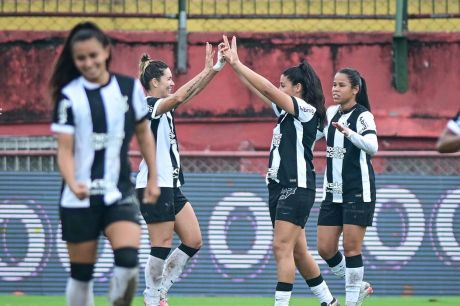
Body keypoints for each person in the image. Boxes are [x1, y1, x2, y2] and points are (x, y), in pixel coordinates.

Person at [221, 35, 338, 306]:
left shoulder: (305, 110)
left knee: (280, 247)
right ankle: (330, 302)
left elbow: (268, 90)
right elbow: (261, 89)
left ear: (297, 88)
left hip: (295, 187)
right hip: (279, 187)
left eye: (283, 85)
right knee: (298, 253)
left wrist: (239, 62)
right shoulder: (286, 113)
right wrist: (234, 65)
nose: (277, 88)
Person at [49, 21, 160, 306]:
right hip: (78, 198)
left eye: (93, 55)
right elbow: (64, 150)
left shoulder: (127, 89)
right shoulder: (69, 96)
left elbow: (144, 134)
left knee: (128, 262)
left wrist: (153, 177)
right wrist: (73, 184)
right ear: (74, 61)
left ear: (106, 52)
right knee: (82, 275)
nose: (88, 63)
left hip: (117, 191)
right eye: (81, 58)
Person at [135, 42, 226, 306]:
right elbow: (178, 97)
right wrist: (205, 70)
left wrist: (214, 69)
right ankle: (152, 298)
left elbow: (189, 93)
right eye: (168, 79)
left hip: (170, 185)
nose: (173, 83)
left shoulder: (164, 104)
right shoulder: (147, 105)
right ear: (154, 82)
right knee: (161, 245)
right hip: (154, 185)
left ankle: (161, 289)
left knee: (193, 240)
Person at [316, 68, 377, 306]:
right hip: (332, 191)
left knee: (351, 249)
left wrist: (349, 133)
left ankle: (352, 302)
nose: (335, 89)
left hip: (357, 190)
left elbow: (373, 147)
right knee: (325, 248)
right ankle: (358, 285)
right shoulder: (331, 112)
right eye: (334, 84)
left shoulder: (363, 117)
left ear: (355, 89)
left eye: (341, 85)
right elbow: (316, 137)